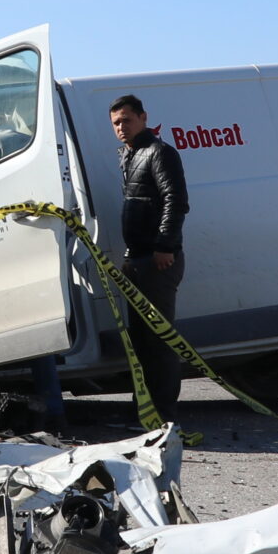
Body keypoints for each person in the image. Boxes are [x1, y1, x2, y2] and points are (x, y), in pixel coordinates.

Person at [109, 94, 190, 420]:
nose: (121, 127)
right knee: (141, 342)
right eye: (116, 122)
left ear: (144, 118)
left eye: (127, 120)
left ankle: (164, 413)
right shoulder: (128, 154)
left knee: (159, 342)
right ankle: (145, 410)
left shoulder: (160, 152)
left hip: (157, 261)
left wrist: (165, 247)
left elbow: (176, 201)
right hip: (136, 261)